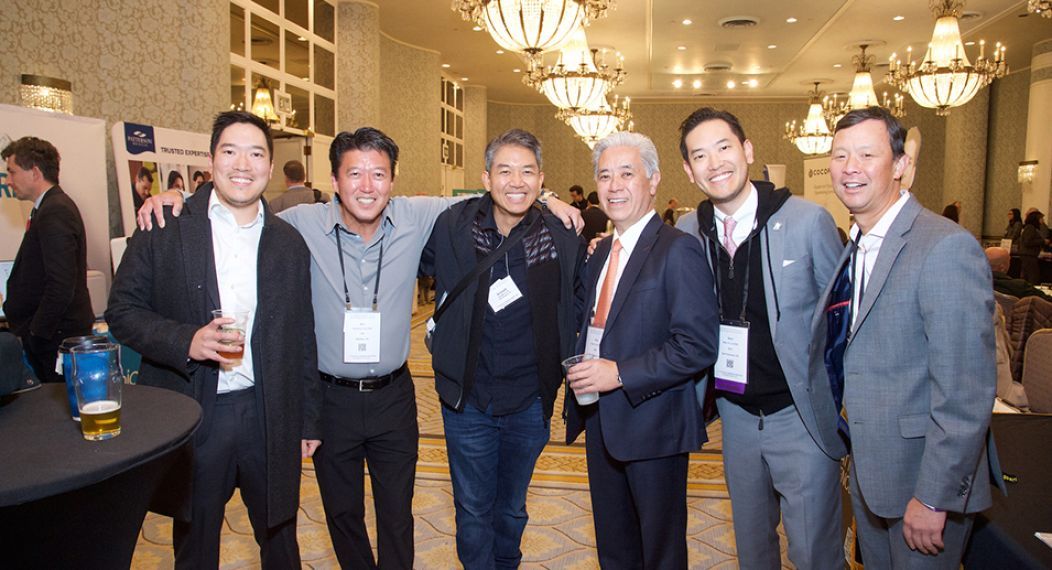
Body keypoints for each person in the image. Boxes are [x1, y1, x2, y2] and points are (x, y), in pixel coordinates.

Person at [136, 128, 583, 569]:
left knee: (397, 513)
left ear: (392, 181)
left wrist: (552, 201)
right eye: (355, 174)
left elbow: (505, 195)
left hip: (394, 397)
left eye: (379, 175)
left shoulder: (417, 216)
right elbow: (241, 209)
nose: (367, 187)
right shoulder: (297, 225)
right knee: (342, 513)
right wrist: (180, 203)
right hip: (330, 398)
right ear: (334, 180)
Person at [106, 111, 320, 569]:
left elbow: (303, 336)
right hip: (196, 412)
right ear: (211, 158)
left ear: (269, 164)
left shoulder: (288, 243)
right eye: (230, 151)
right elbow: (121, 313)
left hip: (270, 413)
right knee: (196, 540)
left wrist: (310, 421)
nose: (243, 163)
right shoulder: (165, 226)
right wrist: (188, 341)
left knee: (281, 539)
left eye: (256, 153)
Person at [811, 106, 1002, 568]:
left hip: (923, 485)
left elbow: (965, 391)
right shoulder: (856, 245)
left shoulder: (944, 246)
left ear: (899, 165)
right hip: (874, 473)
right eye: (839, 156)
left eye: (866, 154)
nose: (849, 167)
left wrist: (934, 498)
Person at [675, 107, 846, 569]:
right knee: (752, 546)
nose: (716, 163)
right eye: (700, 156)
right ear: (690, 172)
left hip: (800, 415)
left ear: (747, 151)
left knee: (814, 551)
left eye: (724, 147)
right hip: (736, 418)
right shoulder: (688, 233)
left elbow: (842, 321)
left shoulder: (808, 221)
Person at [419, 129, 584, 569]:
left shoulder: (560, 236)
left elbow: (581, 301)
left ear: (541, 178)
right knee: (472, 510)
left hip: (529, 401)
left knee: (511, 508)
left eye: (527, 172)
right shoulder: (454, 224)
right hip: (467, 399)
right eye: (505, 171)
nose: (516, 181)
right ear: (486, 177)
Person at [564, 131, 718, 569]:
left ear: (652, 181)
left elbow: (697, 346)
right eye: (605, 175)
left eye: (626, 174)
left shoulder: (678, 250)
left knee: (660, 551)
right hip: (600, 419)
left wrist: (621, 373)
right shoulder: (600, 253)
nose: (614, 185)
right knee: (615, 547)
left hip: (654, 424)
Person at [1, 137, 93, 383]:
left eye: (12, 172)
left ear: (35, 172)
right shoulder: (48, 208)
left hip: (54, 338)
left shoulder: (56, 210)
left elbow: (61, 284)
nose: (8, 181)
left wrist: (36, 332)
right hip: (51, 336)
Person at [986, 246, 1051, 301]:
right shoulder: (1020, 287)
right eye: (1009, 261)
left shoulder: (977, 284)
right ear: (1002, 268)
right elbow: (1047, 301)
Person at [1020, 209, 1048, 284]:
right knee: (1032, 277)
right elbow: (1027, 242)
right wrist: (1043, 241)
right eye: (1041, 218)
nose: (1043, 220)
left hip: (1029, 255)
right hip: (1029, 256)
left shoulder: (1030, 227)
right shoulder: (1030, 228)